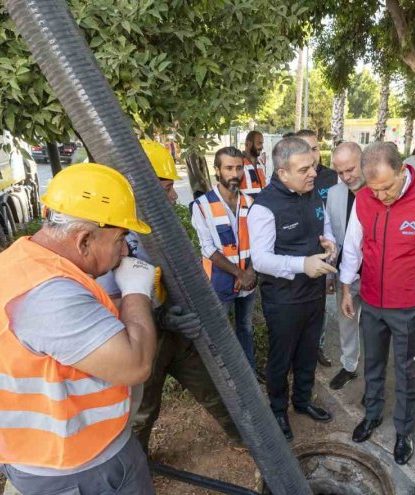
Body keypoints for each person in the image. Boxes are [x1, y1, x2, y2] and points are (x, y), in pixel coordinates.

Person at [0, 162, 224, 495]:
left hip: (39, 459)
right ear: (84, 239)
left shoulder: (20, 261)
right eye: (120, 238)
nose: (125, 249)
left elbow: (80, 328)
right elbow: (134, 364)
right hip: (84, 459)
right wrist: (137, 293)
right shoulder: (49, 296)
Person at [340, 142, 415, 465]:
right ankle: (372, 414)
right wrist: (347, 288)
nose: (381, 196)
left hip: (410, 305)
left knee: (406, 370)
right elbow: (353, 245)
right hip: (372, 300)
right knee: (373, 364)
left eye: (387, 187)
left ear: (404, 171)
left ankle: (404, 430)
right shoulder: (364, 199)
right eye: (374, 189)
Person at [123, 142, 241, 451]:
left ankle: (246, 439)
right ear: (137, 192)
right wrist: (158, 317)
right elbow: (110, 301)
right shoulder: (114, 239)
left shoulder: (162, 228)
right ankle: (138, 465)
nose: (174, 196)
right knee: (143, 410)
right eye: (165, 190)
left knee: (212, 389)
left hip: (178, 331)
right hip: (144, 339)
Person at [248, 136, 337, 441]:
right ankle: (277, 410)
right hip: (283, 300)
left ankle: (301, 401)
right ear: (282, 173)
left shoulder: (312, 193)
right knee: (281, 357)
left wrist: (330, 245)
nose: (313, 173)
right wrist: (303, 264)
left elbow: (324, 227)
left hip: (313, 294)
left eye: (312, 166)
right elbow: (260, 259)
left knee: (308, 353)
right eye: (304, 170)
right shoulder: (263, 208)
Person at [191, 146, 257, 369]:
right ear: (217, 170)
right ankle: (223, 378)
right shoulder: (202, 205)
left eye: (239, 168)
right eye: (228, 168)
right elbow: (208, 249)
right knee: (218, 332)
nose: (235, 174)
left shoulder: (251, 202)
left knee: (246, 328)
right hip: (219, 281)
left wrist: (251, 272)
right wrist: (240, 273)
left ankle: (249, 371)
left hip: (249, 279)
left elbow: (259, 242)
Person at [296, 128, 339, 367]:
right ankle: (298, 349)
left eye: (314, 148)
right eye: (305, 149)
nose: (311, 155)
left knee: (320, 306)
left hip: (325, 253)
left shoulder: (333, 177)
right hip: (298, 257)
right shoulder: (290, 176)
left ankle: (317, 347)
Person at [327, 141, 365, 390]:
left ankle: (374, 377)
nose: (346, 177)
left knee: (375, 330)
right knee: (347, 323)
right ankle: (349, 366)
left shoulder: (380, 189)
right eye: (340, 172)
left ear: (363, 162)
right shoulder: (334, 194)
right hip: (346, 278)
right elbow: (332, 235)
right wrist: (332, 275)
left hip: (376, 277)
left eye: (351, 169)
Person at [241, 130, 267, 197]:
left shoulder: (261, 164)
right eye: (259, 143)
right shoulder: (239, 163)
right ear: (248, 144)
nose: (262, 147)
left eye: (262, 144)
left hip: (261, 206)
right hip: (244, 206)